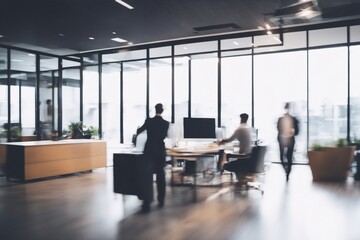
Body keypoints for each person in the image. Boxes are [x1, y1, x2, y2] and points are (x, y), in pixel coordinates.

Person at [136, 103, 169, 213]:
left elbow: (139, 131)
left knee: (147, 177)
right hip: (160, 151)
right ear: (162, 110)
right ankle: (161, 200)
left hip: (149, 150)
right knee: (161, 176)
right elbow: (165, 136)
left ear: (155, 110)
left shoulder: (149, 121)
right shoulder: (166, 124)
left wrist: (139, 128)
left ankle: (147, 203)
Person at [277, 102, 299, 181]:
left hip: (290, 139)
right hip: (282, 139)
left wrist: (292, 132)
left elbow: (297, 131)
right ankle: (286, 170)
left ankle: (288, 173)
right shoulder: (280, 119)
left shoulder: (294, 119)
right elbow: (278, 129)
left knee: (289, 157)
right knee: (281, 157)